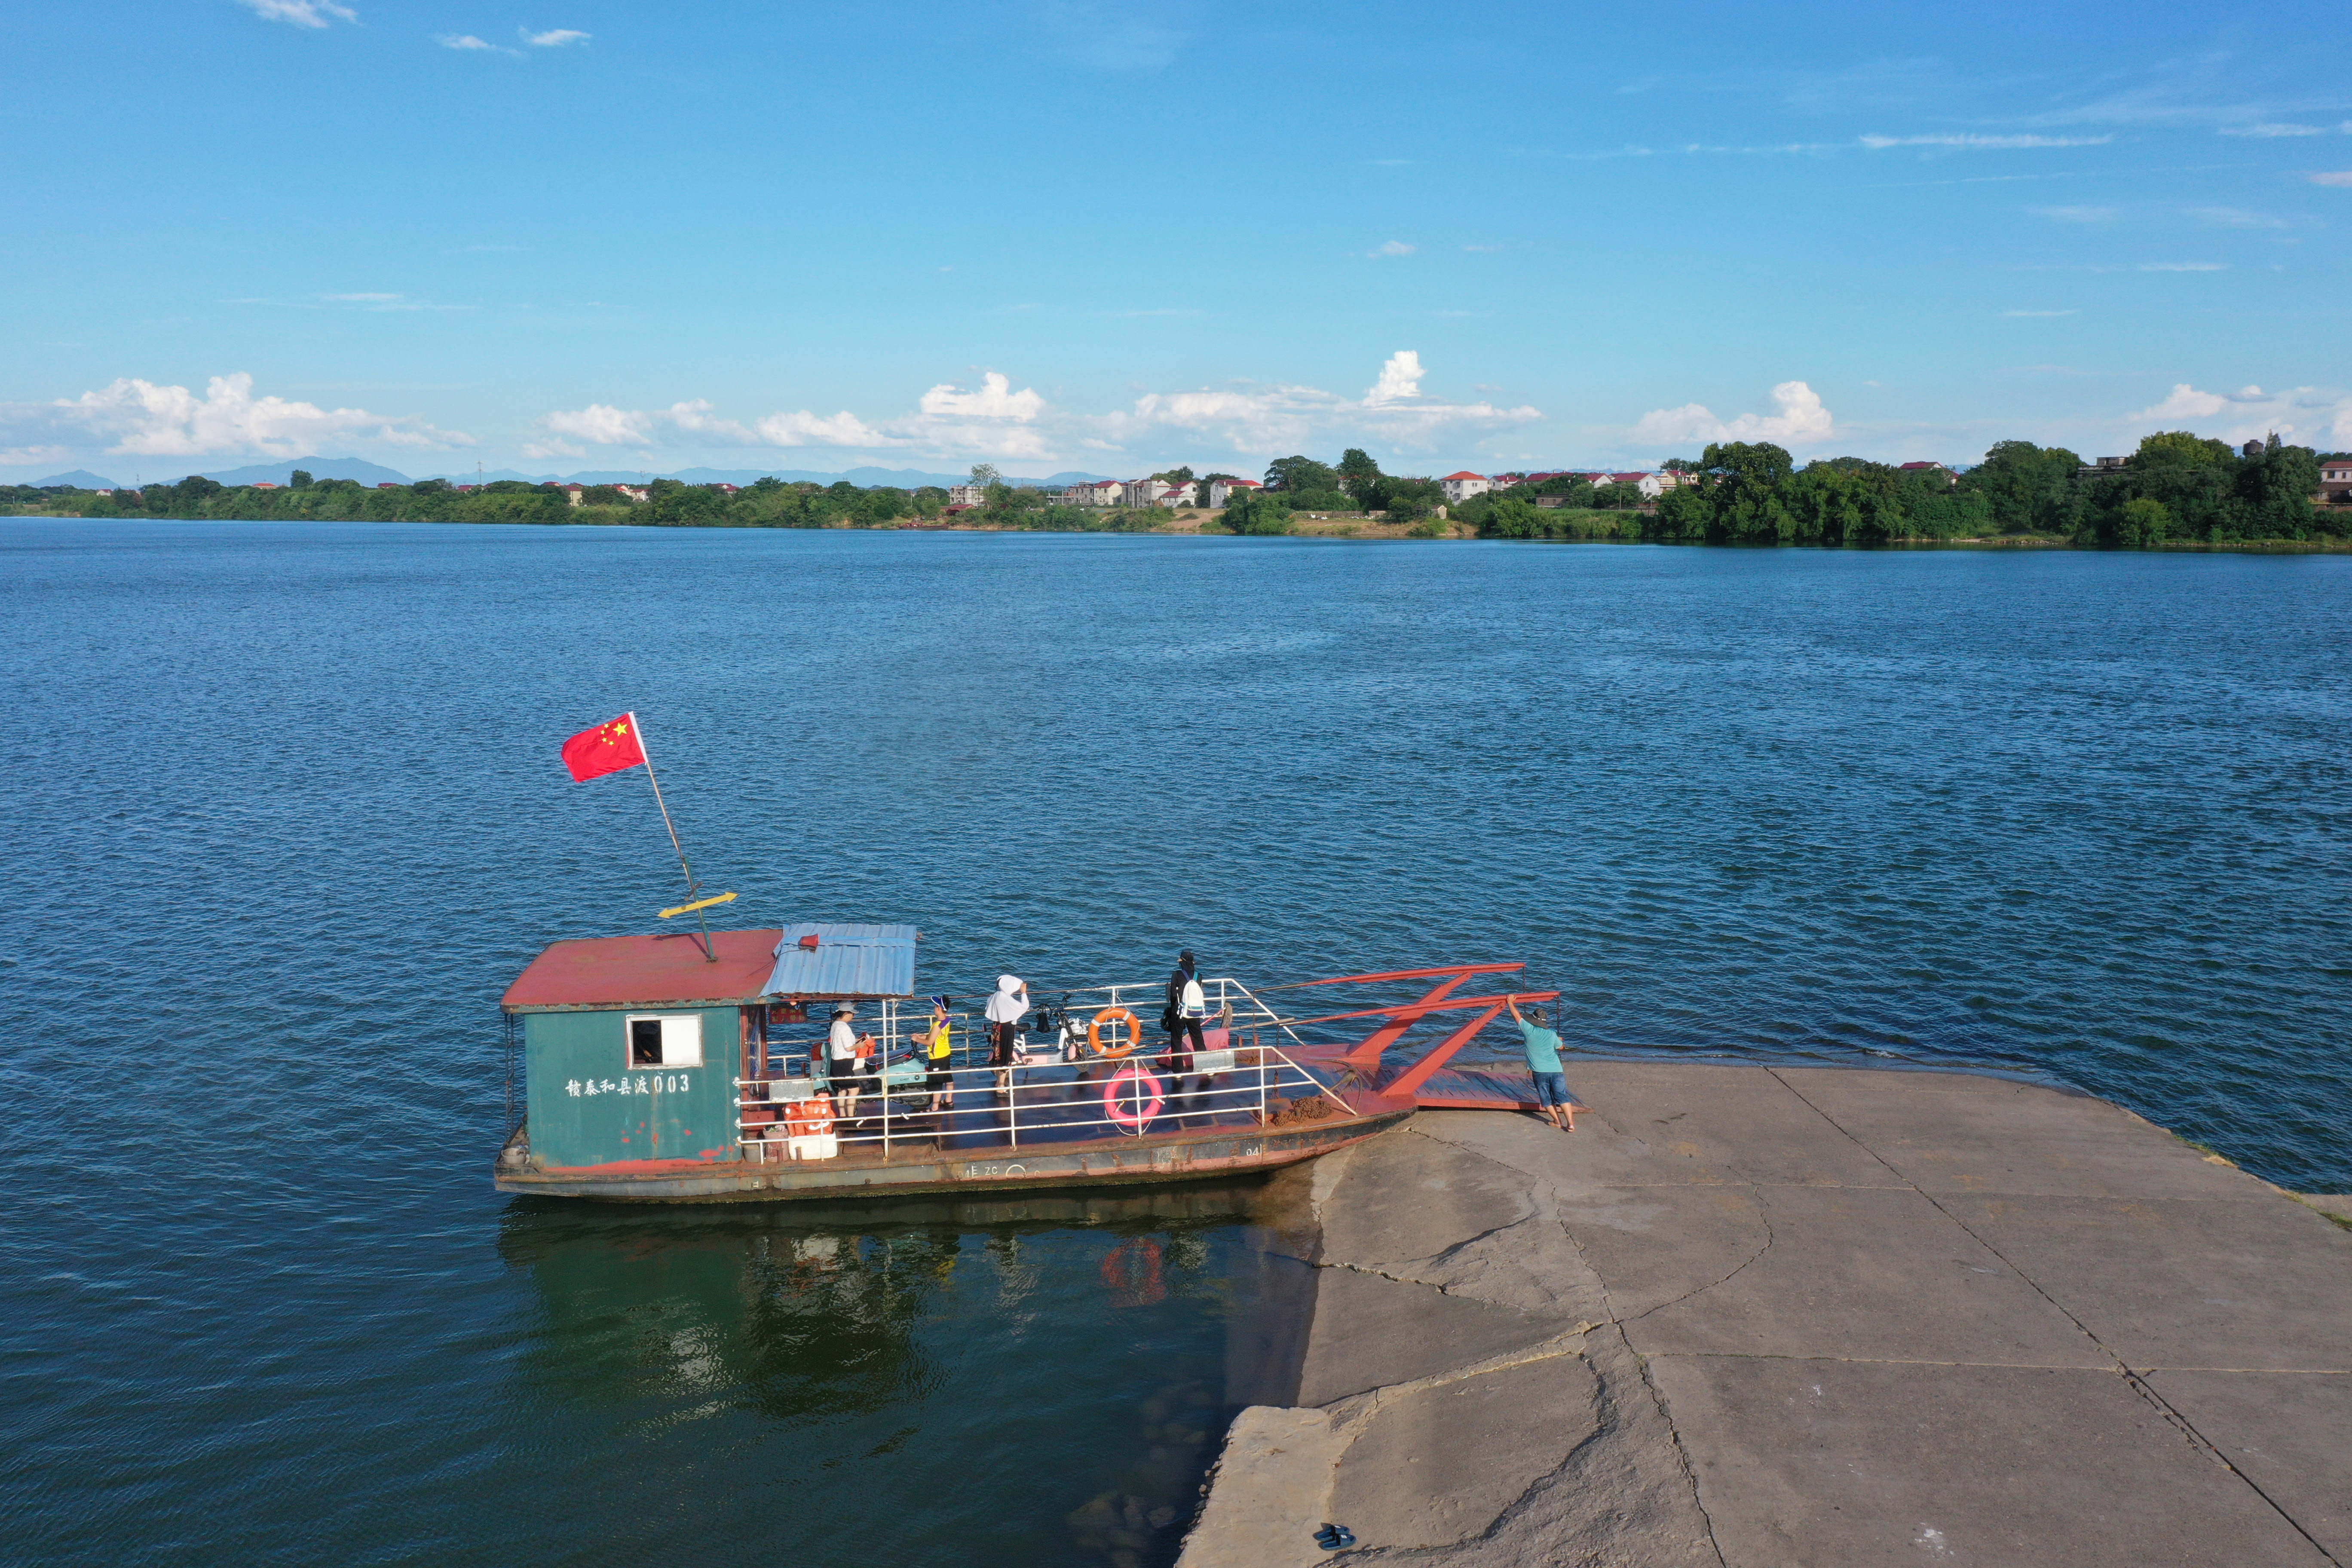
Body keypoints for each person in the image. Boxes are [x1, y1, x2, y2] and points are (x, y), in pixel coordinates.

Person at [1506, 995, 1577, 1131]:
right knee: (1562, 1096)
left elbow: (1517, 1016)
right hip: (1556, 1070)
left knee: (1546, 1098)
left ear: (1533, 1020)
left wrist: (1510, 1003)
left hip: (1540, 1071)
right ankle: (1571, 1124)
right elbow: (1560, 1047)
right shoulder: (1552, 1033)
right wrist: (1559, 1039)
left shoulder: (1529, 1030)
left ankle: (1557, 1121)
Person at [1163, 950, 1206, 1075]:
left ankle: (1178, 1071)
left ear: (1182, 963)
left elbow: (1173, 995)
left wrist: (1173, 1011)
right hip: (1194, 1011)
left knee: (1176, 1039)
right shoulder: (1199, 976)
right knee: (1198, 1038)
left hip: (1180, 1012)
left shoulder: (1176, 975)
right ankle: (1204, 1066)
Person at [984, 975, 1029, 1091]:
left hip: (996, 1027)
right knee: (1005, 1056)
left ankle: (999, 1082)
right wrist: (1023, 993)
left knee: (998, 1055)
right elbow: (1024, 1006)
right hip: (1007, 1029)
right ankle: (1001, 1086)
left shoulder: (996, 996)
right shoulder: (1005, 999)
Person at [918, 995, 956, 1117]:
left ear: (939, 1008)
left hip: (937, 1057)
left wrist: (917, 1039)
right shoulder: (946, 1021)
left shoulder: (936, 1025)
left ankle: (935, 1107)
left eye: (935, 1006)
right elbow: (936, 1037)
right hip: (946, 1053)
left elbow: (930, 1042)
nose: (934, 1008)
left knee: (937, 1082)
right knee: (947, 1077)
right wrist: (921, 1036)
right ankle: (949, 1100)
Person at [826, 1004, 864, 1120]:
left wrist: (855, 1041)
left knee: (842, 1090)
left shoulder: (835, 1025)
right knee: (854, 1089)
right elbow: (848, 1048)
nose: (853, 1016)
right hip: (845, 1062)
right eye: (852, 1014)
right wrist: (859, 1045)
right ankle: (851, 1117)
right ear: (846, 1014)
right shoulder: (845, 1028)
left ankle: (842, 1115)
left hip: (836, 1061)